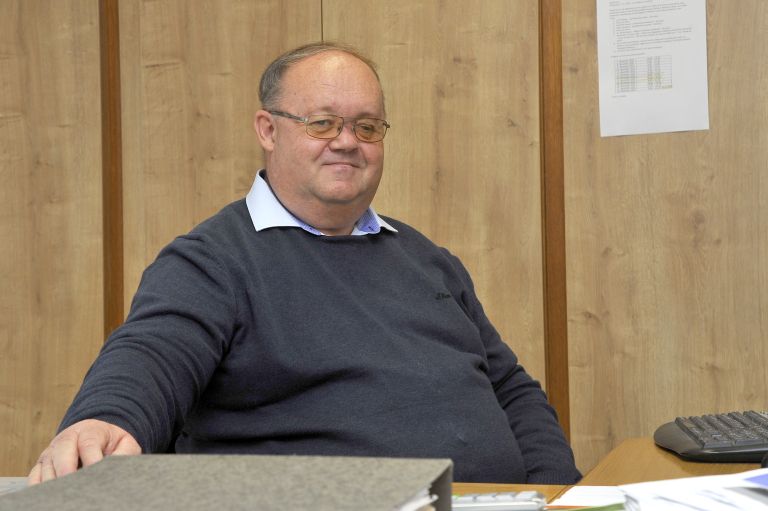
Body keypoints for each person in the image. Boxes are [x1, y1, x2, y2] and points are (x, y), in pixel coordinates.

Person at [28, 42, 581, 485]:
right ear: (268, 130)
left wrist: (556, 494)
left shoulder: (428, 260)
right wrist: (107, 419)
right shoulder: (211, 261)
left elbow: (510, 391)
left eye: (367, 127)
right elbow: (153, 353)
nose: (347, 142)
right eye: (322, 124)